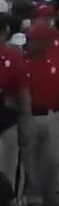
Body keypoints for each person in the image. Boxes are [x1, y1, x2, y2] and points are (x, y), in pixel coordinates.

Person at [20, 25, 59, 206]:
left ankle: (54, 198)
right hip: (30, 117)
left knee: (53, 160)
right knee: (29, 161)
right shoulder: (23, 64)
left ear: (43, 42)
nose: (28, 44)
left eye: (32, 40)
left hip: (54, 116)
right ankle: (35, 199)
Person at [0, 22, 25, 187]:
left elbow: (21, 90)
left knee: (10, 166)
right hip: (7, 117)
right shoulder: (13, 56)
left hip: (7, 119)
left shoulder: (13, 57)